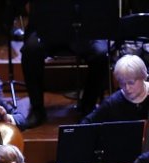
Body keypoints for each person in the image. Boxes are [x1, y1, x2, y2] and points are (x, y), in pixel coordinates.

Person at [18, 0, 109, 128]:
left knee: (101, 54)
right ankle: (37, 109)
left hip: (83, 30)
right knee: (30, 50)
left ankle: (88, 107)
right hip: (48, 29)